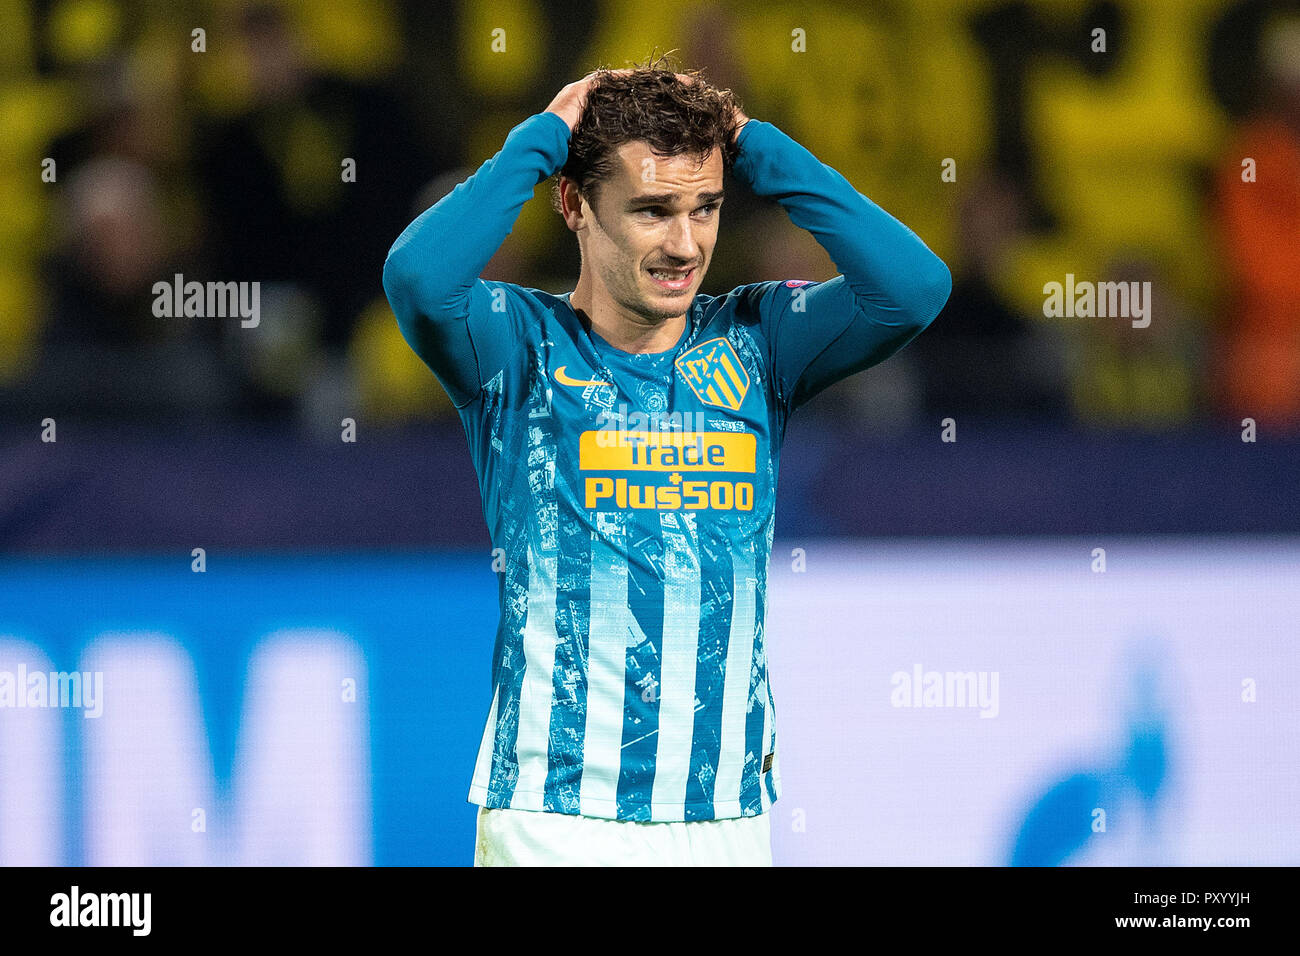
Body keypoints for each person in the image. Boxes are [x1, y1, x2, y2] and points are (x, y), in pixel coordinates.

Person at [382, 60, 951, 866]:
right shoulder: (517, 346)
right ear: (576, 205)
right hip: (557, 815)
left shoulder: (758, 341)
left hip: (724, 814)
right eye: (653, 210)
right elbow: (416, 278)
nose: (685, 245)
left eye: (705, 208)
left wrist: (763, 150)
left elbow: (914, 289)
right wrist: (542, 141)